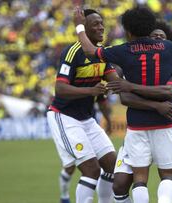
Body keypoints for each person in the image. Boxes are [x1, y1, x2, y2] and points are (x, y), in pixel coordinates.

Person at [74, 7, 172, 203]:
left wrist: (79, 25)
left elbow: (89, 50)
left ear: (128, 30)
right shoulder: (168, 47)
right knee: (168, 175)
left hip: (137, 124)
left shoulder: (124, 50)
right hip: (165, 122)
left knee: (139, 179)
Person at [106, 20, 172, 203]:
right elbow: (125, 98)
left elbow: (169, 91)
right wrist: (156, 105)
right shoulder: (133, 65)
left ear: (167, 44)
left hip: (167, 131)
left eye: (161, 38)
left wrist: (130, 87)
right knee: (119, 184)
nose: (156, 40)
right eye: (153, 37)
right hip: (138, 130)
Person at [47, 9, 118, 203]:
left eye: (101, 23)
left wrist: (109, 119)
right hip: (64, 116)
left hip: (87, 119)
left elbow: (113, 84)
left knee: (113, 165)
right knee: (91, 170)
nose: (101, 27)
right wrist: (91, 91)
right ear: (83, 28)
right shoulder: (72, 52)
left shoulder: (102, 54)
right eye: (95, 24)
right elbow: (60, 88)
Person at [58, 96, 113, 203]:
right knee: (70, 168)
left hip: (89, 122)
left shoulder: (97, 81)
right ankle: (64, 196)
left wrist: (108, 120)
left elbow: (101, 99)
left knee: (106, 165)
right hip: (69, 124)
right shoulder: (72, 82)